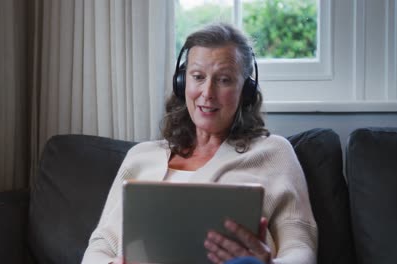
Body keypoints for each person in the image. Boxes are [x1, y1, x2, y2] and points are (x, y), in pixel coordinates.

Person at [82, 23, 317, 264]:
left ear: (245, 90)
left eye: (224, 80)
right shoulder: (140, 156)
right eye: (197, 77)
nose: (207, 92)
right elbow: (99, 247)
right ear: (182, 82)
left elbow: (301, 249)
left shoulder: (273, 153)